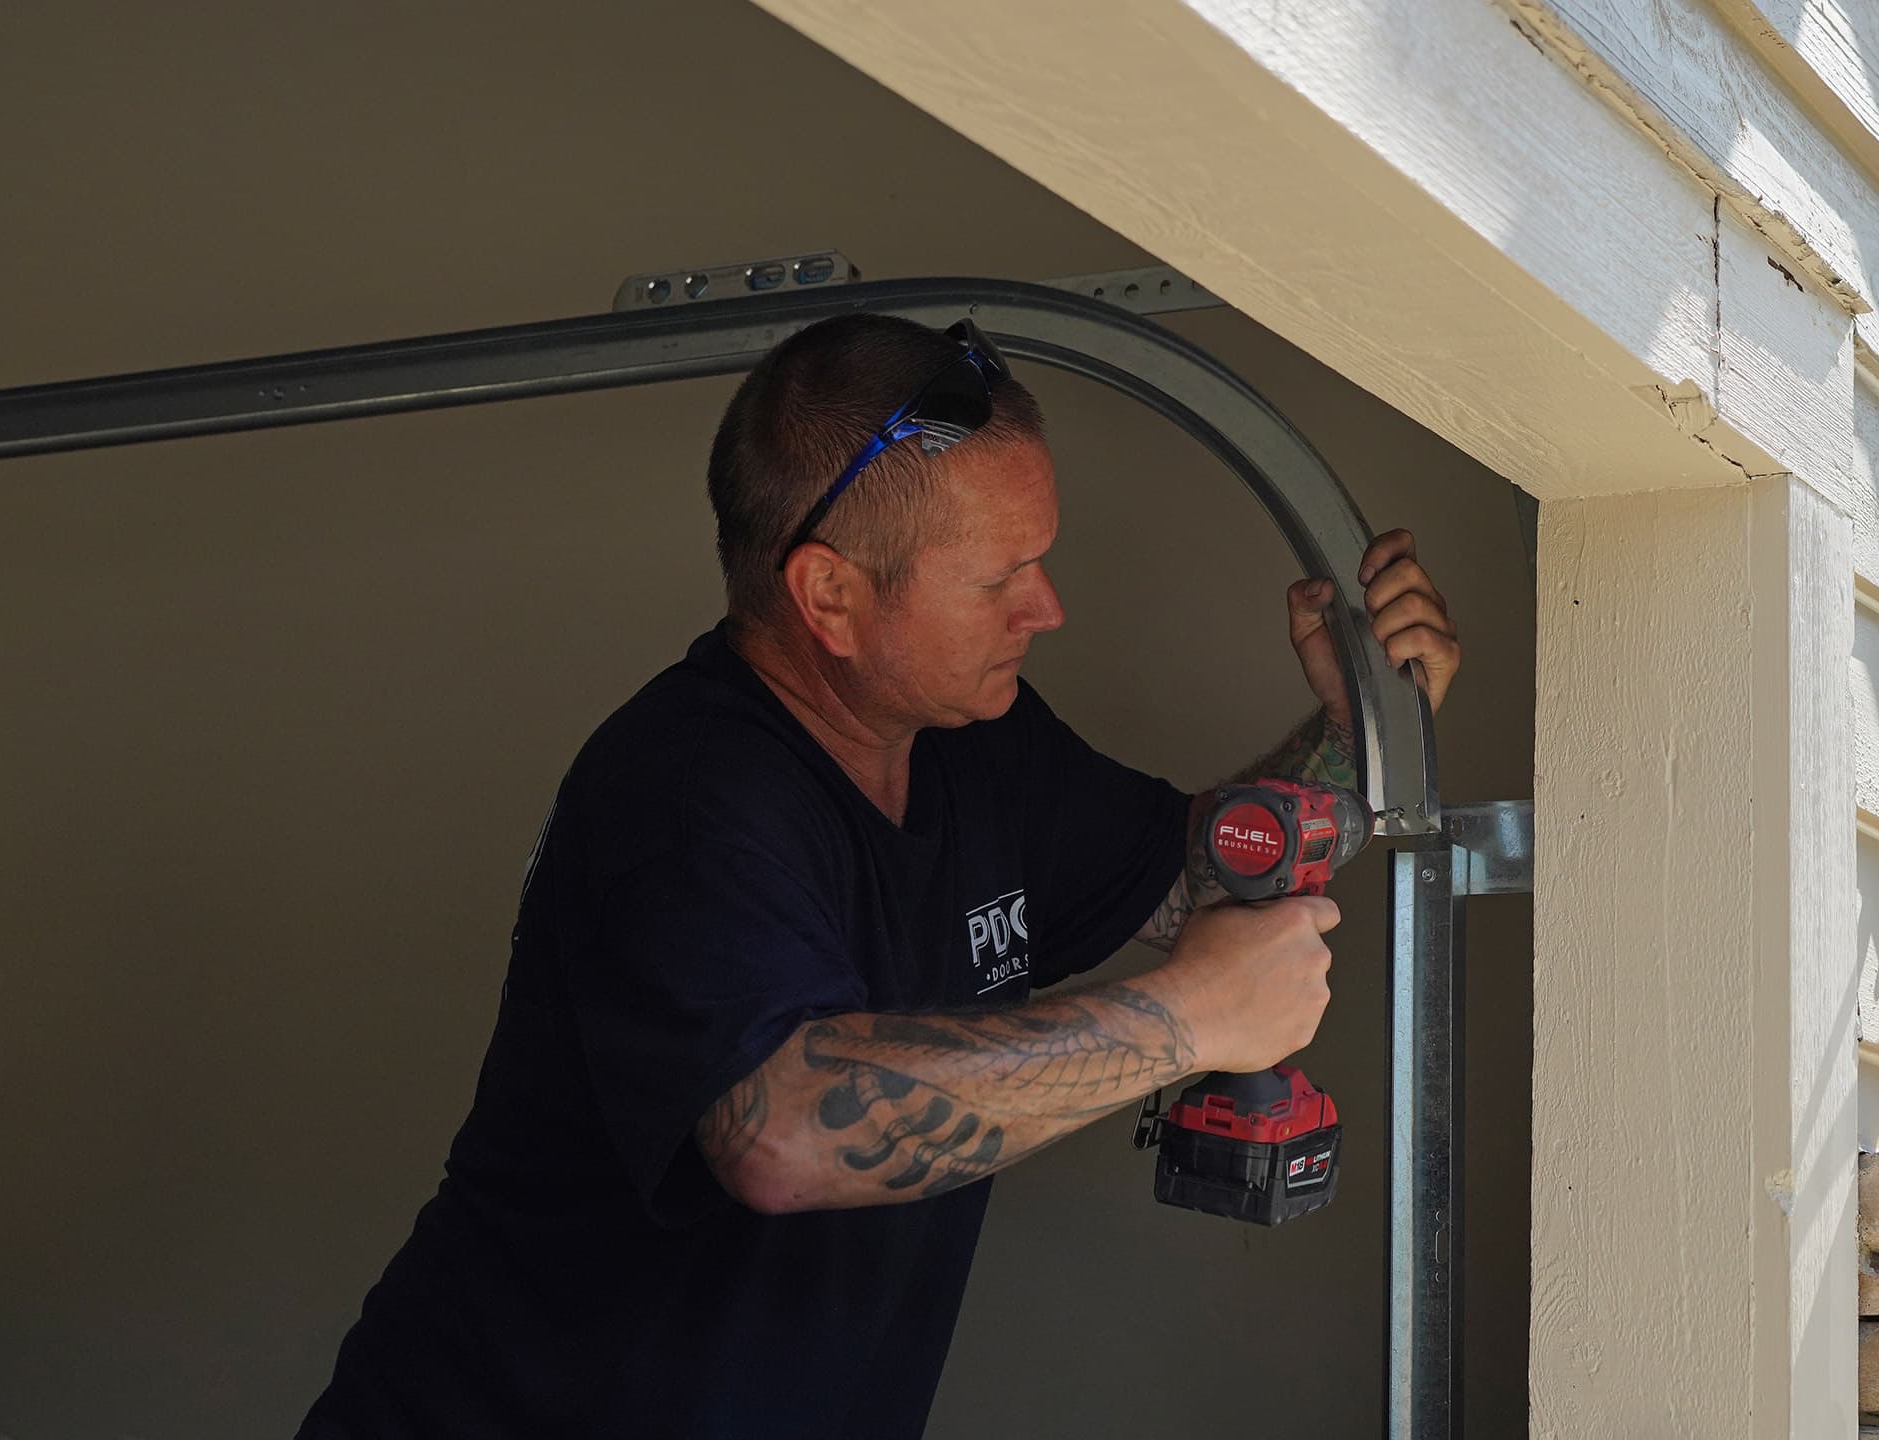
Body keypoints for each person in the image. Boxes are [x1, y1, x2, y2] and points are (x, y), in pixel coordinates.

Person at [298, 312, 1463, 1437]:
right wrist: (1183, 1021)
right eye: (1000, 576)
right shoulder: (687, 791)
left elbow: (1207, 884)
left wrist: (1358, 718)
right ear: (831, 597)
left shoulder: (976, 737)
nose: (1045, 608)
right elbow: (784, 1133)